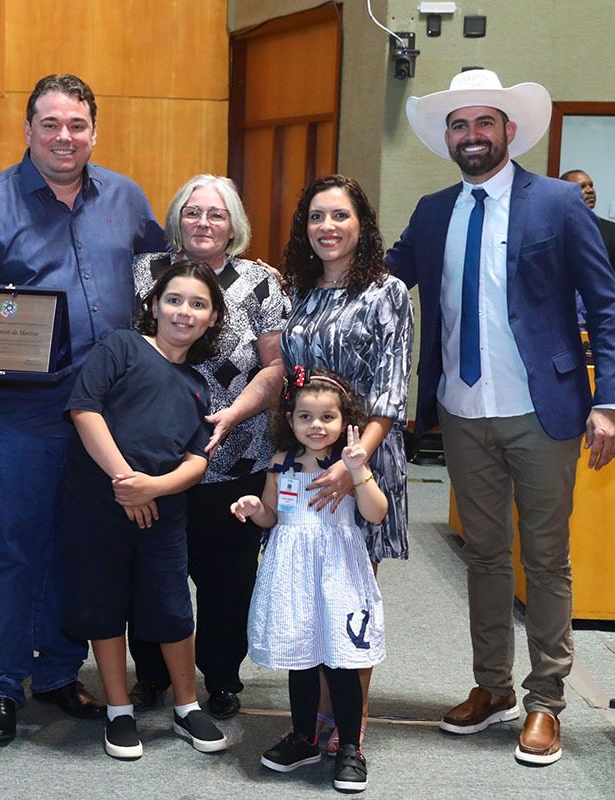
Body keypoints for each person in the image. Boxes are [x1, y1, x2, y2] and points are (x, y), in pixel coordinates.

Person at [387, 68, 615, 766]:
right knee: (486, 556)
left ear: (508, 131)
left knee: (546, 558)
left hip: (543, 411)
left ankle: (545, 701)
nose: (471, 135)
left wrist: (609, 400)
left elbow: (605, 306)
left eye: (483, 123)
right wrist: (304, 271)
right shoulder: (435, 210)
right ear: (449, 137)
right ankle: (490, 687)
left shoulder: (557, 204)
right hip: (461, 412)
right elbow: (384, 271)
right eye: (459, 125)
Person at [0, 74, 167, 744]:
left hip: (105, 416)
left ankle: (58, 672)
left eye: (78, 125)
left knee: (75, 547)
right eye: (51, 125)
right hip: (16, 413)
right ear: (27, 129)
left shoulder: (126, 199)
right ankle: (0, 684)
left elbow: (160, 288)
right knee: (8, 549)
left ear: (95, 130)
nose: (65, 138)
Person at [127, 175, 288, 720]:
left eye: (216, 215)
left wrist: (232, 415)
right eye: (193, 212)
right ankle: (150, 675)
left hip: (236, 455)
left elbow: (276, 366)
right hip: (156, 458)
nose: (203, 224)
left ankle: (221, 676)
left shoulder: (260, 281)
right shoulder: (146, 272)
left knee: (228, 580)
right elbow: (129, 351)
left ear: (233, 225)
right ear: (178, 218)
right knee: (152, 573)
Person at [62, 261, 229, 760]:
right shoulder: (121, 347)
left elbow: (197, 461)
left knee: (173, 608)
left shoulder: (200, 385)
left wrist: (152, 488)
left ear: (213, 318)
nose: (184, 312)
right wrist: (124, 483)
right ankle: (118, 709)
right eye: (174, 300)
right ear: (153, 305)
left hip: (163, 514)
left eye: (198, 304)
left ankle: (186, 705)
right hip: (99, 504)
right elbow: (84, 409)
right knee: (104, 604)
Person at [278, 174, 412, 751]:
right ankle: (315, 719)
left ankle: (350, 726)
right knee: (311, 592)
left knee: (351, 596)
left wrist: (350, 465)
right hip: (306, 463)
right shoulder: (301, 291)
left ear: (363, 225)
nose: (327, 228)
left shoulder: (389, 292)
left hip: (363, 461)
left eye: (339, 216)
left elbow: (390, 393)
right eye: (315, 217)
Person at [232, 367, 387, 794]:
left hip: (338, 568)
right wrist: (253, 508)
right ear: (290, 419)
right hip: (293, 572)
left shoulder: (348, 465)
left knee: (341, 662)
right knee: (301, 657)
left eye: (327, 417)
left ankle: (351, 746)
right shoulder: (279, 463)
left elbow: (376, 513)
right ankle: (304, 737)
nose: (316, 426)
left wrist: (359, 472)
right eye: (305, 417)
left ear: (345, 421)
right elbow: (271, 514)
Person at [559, 169, 615, 302]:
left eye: (591, 185)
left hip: (595, 309)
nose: (590, 190)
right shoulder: (553, 227)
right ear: (564, 193)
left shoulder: (609, 230)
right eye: (582, 187)